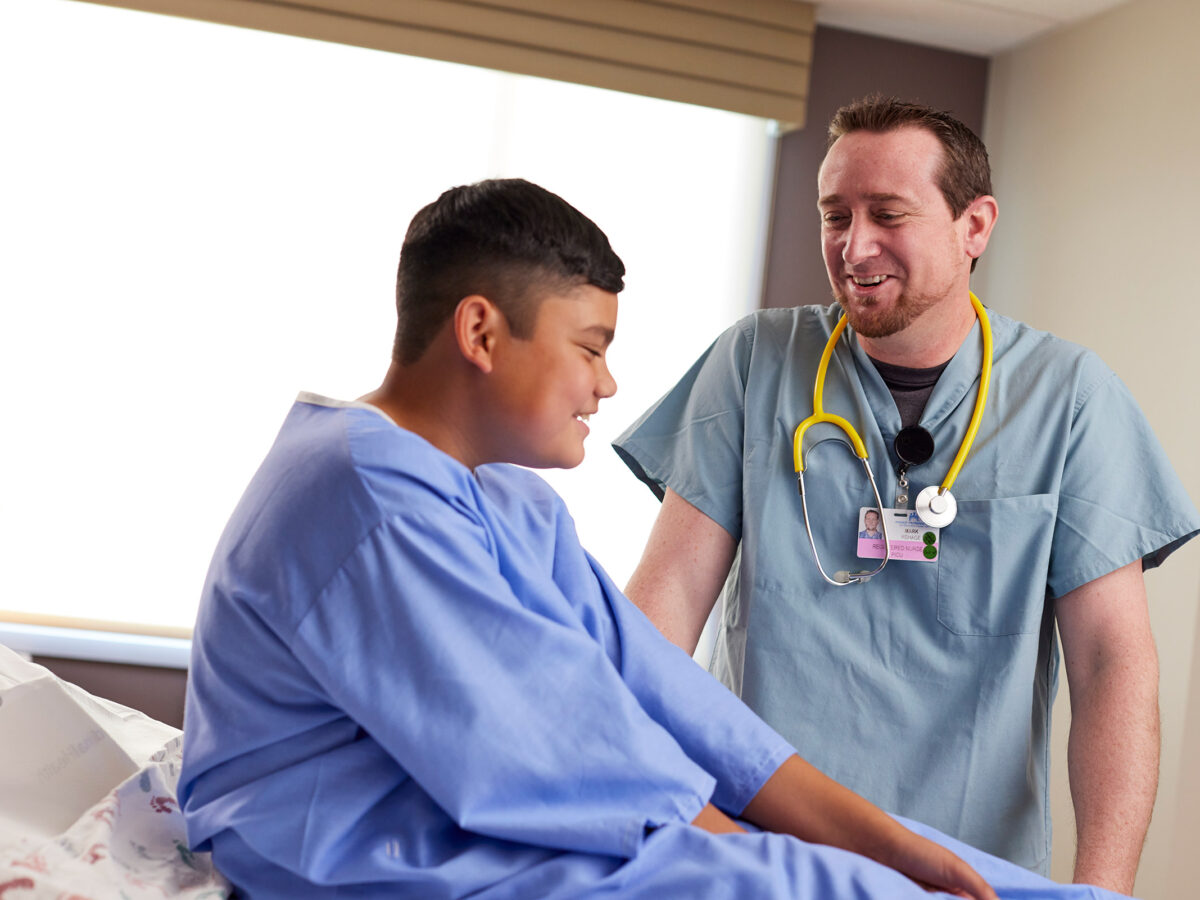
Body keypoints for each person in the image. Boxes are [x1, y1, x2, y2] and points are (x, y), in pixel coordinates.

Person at [178, 178, 1128, 899]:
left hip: (494, 804)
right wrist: (778, 852)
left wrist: (884, 839)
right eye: (589, 347)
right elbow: (542, 754)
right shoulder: (365, 492)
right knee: (811, 886)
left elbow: (658, 689)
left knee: (970, 875)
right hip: (367, 836)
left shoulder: (506, 502)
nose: (608, 385)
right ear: (480, 330)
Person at [613, 96, 1200, 894]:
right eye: (835, 215)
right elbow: (667, 603)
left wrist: (1102, 891)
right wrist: (623, 803)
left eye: (887, 213)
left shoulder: (1069, 399)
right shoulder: (756, 362)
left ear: (975, 226)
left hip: (969, 869)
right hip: (757, 851)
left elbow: (1112, 666)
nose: (854, 247)